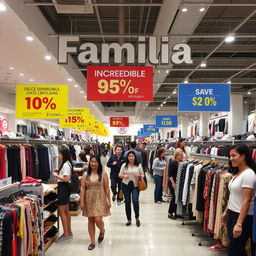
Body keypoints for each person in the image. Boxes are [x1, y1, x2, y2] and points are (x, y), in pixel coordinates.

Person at [221, 144, 256, 256]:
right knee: (236, 249)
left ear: (243, 156)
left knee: (235, 250)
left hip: (243, 217)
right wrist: (226, 211)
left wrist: (239, 223)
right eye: (230, 156)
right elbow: (233, 195)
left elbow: (247, 200)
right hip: (233, 213)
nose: (231, 159)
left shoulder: (249, 174)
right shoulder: (237, 173)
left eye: (234, 155)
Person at [80, 155, 111, 250]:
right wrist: (81, 201)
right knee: (90, 220)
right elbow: (82, 188)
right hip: (89, 198)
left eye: (95, 162)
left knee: (98, 219)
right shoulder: (86, 174)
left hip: (100, 198)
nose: (93, 164)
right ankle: (92, 241)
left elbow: (106, 188)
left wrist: (109, 200)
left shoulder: (103, 173)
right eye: (91, 162)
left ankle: (102, 230)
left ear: (98, 163)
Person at [52, 146, 73, 242]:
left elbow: (66, 179)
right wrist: (59, 172)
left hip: (63, 189)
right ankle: (69, 232)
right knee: (66, 211)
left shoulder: (65, 165)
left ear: (63, 154)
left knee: (62, 212)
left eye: (59, 153)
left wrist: (56, 175)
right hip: (65, 189)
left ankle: (66, 234)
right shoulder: (67, 163)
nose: (58, 155)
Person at [119, 151, 144, 227]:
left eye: (132, 156)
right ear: (127, 157)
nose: (131, 157)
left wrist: (139, 175)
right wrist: (124, 176)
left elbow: (142, 175)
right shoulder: (124, 165)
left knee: (135, 201)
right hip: (126, 184)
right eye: (129, 156)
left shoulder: (138, 166)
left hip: (135, 185)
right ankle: (129, 219)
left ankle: (137, 218)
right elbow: (119, 175)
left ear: (135, 157)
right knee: (127, 202)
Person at [168, 148, 184, 219]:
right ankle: (170, 213)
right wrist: (173, 183)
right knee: (174, 197)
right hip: (173, 183)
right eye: (180, 155)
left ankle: (176, 212)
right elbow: (170, 175)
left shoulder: (180, 163)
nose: (181, 156)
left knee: (177, 198)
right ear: (176, 156)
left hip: (177, 183)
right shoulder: (172, 163)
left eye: (182, 155)